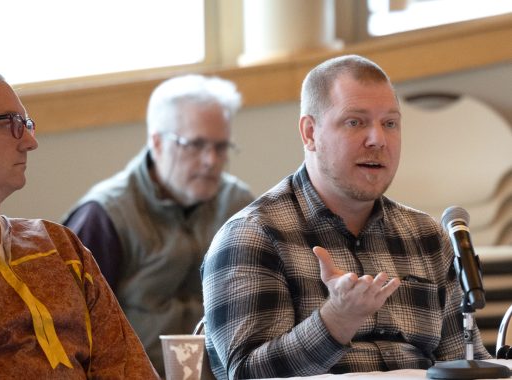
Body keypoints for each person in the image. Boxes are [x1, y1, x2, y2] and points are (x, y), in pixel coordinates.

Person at [201, 55, 492, 379]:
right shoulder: (254, 236)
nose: (378, 139)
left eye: (390, 123)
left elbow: (465, 365)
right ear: (310, 133)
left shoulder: (426, 237)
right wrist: (335, 322)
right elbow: (244, 373)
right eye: (355, 122)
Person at [0, 68, 159, 379]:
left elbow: (127, 367)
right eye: (9, 124)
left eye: (27, 125)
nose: (30, 142)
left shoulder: (59, 244)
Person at [62, 74, 254, 374]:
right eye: (196, 145)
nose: (210, 161)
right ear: (157, 143)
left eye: (221, 147)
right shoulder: (104, 216)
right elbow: (72, 333)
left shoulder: (239, 205)